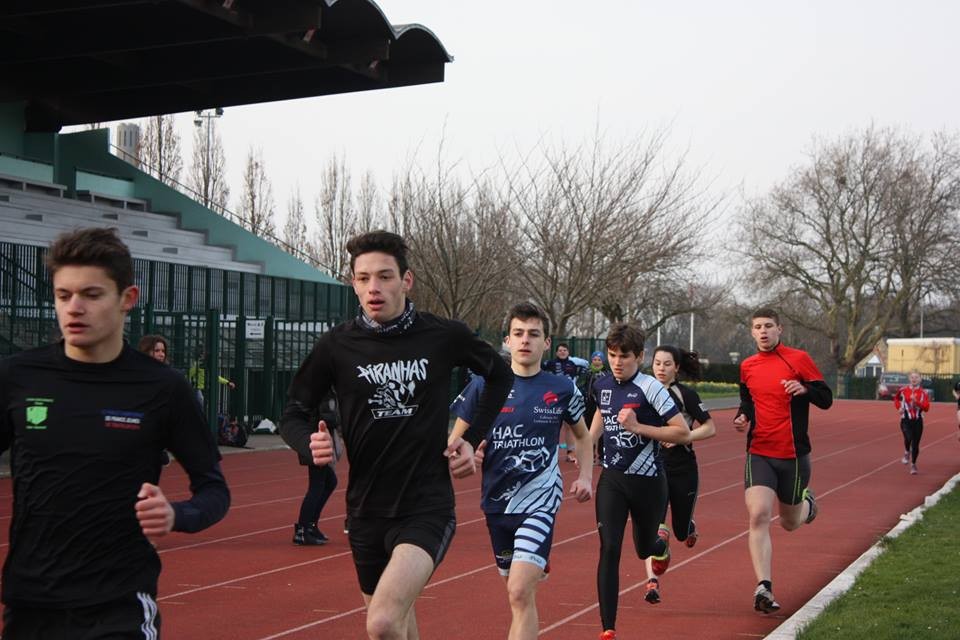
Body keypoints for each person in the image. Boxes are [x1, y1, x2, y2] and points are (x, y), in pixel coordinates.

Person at [279, 230, 513, 640]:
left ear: (406, 280)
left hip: (426, 507)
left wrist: (471, 438)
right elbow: (293, 413)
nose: (374, 287)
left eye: (385, 276)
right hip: (365, 511)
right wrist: (309, 443)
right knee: (397, 627)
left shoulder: (442, 335)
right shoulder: (337, 345)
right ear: (353, 284)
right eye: (364, 278)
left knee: (383, 621)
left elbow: (500, 375)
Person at [0, 227, 230, 638]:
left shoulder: (163, 388)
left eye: (91, 295)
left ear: (127, 299)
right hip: (31, 602)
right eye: (63, 295)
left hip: (118, 604)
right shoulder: (18, 377)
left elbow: (214, 490)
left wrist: (175, 514)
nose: (74, 308)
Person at [448, 303, 593, 640]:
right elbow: (455, 442)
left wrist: (585, 476)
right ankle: (535, 565)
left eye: (534, 334)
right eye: (518, 333)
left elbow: (584, 436)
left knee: (518, 590)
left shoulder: (563, 388)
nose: (525, 340)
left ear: (546, 342)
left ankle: (533, 562)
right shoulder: (483, 386)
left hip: (540, 500)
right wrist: (468, 452)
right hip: (497, 504)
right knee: (519, 597)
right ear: (507, 341)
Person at [589, 323, 690, 640]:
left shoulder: (652, 388)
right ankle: (608, 627)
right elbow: (602, 413)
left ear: (640, 357)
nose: (617, 362)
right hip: (612, 480)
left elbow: (682, 432)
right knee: (609, 547)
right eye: (612, 355)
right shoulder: (601, 384)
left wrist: (638, 428)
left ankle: (661, 544)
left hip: (648, 482)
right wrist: (588, 443)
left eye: (625, 356)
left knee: (644, 548)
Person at [733, 308, 832, 614]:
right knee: (758, 514)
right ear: (752, 332)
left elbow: (826, 398)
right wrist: (742, 416)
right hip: (759, 452)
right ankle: (764, 586)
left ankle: (808, 506)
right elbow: (747, 400)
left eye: (768, 326)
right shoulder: (747, 366)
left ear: (780, 329)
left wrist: (805, 389)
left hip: (793, 456)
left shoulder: (798, 359)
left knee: (789, 523)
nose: (763, 331)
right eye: (757, 327)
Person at [640, 345, 717, 604]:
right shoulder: (643, 392)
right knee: (655, 528)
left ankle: (688, 527)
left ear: (677, 368)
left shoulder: (686, 395)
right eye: (657, 363)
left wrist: (683, 436)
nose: (661, 368)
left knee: (680, 532)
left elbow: (710, 428)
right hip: (652, 468)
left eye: (667, 364)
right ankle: (652, 581)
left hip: (683, 469)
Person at [292, 392, 340, 546]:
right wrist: (340, 418)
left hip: (316, 441)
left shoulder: (322, 393)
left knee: (330, 482)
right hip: (315, 442)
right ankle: (302, 530)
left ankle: (310, 525)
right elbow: (326, 418)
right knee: (317, 486)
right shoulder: (321, 394)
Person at [542, 343, 587, 462]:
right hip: (553, 397)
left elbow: (585, 369)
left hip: (569, 397)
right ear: (556, 352)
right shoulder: (550, 363)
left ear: (568, 352)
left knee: (569, 426)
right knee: (551, 424)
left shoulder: (573, 364)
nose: (562, 352)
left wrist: (580, 382)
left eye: (565, 350)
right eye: (560, 350)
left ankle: (570, 452)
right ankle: (551, 452)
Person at [893, 370, 930, 475]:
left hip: (918, 421)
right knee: (908, 437)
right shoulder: (903, 390)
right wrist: (899, 408)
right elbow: (896, 399)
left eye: (916, 377)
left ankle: (913, 464)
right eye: (912, 377)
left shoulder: (923, 393)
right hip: (905, 419)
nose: (914, 379)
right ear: (909, 379)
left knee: (915, 444)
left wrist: (917, 402)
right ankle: (906, 451)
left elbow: (927, 408)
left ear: (920, 379)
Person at [584, 351, 609, 465]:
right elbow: (583, 386)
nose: (597, 362)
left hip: (601, 404)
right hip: (589, 404)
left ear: (603, 361)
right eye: (594, 359)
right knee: (589, 429)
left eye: (599, 360)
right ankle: (590, 456)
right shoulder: (587, 373)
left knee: (601, 431)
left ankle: (602, 456)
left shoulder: (606, 374)